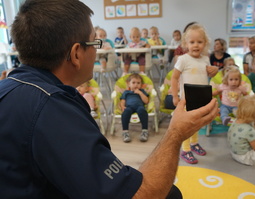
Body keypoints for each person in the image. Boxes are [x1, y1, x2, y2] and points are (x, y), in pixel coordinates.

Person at [0, 1, 220, 198]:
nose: (97, 52)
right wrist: (175, 134)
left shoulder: (10, 88)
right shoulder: (53, 111)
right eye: (95, 44)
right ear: (77, 54)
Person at [171, 23, 218, 164]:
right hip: (186, 100)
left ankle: (194, 143)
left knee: (197, 124)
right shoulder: (183, 59)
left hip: (200, 99)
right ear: (186, 43)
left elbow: (208, 74)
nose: (196, 45)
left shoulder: (205, 59)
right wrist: (174, 96)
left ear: (205, 43)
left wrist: (214, 70)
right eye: (192, 42)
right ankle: (185, 150)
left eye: (199, 42)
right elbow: (174, 77)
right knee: (187, 124)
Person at [121, 73, 149, 142]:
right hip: (129, 107)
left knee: (142, 111)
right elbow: (122, 101)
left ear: (141, 84)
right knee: (125, 113)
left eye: (138, 83)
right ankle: (125, 132)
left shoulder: (142, 91)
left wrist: (140, 93)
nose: (136, 84)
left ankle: (144, 131)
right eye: (133, 83)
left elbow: (146, 101)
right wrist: (122, 106)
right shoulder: (126, 92)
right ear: (129, 84)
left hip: (139, 106)